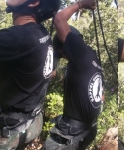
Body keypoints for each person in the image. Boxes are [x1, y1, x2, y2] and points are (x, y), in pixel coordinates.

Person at [0, 0, 60, 149]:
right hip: (31, 122)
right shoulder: (42, 33)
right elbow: (52, 72)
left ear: (33, 3)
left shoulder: (20, 37)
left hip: (8, 129)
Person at [42, 0, 104, 149]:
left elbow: (58, 19)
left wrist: (81, 4)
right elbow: (101, 96)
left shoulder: (79, 51)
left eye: (63, 53)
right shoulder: (92, 58)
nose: (64, 56)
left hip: (71, 133)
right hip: (89, 129)